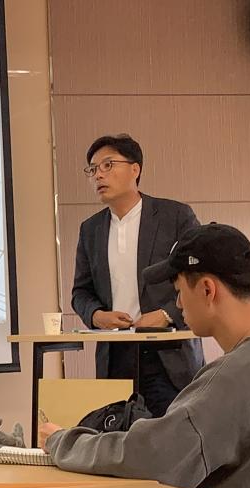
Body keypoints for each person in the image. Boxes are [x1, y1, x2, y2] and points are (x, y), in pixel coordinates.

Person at [41, 223, 250, 488]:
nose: (178, 303)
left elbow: (147, 457)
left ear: (207, 290)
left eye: (179, 291)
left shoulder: (232, 379)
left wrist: (62, 440)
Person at [72, 133, 203, 417]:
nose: (98, 175)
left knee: (174, 436)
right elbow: (80, 292)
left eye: (108, 165)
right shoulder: (90, 229)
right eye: (93, 169)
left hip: (168, 353)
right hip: (116, 356)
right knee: (118, 437)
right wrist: (96, 316)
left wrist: (167, 314)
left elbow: (201, 275)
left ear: (135, 169)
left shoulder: (175, 216)